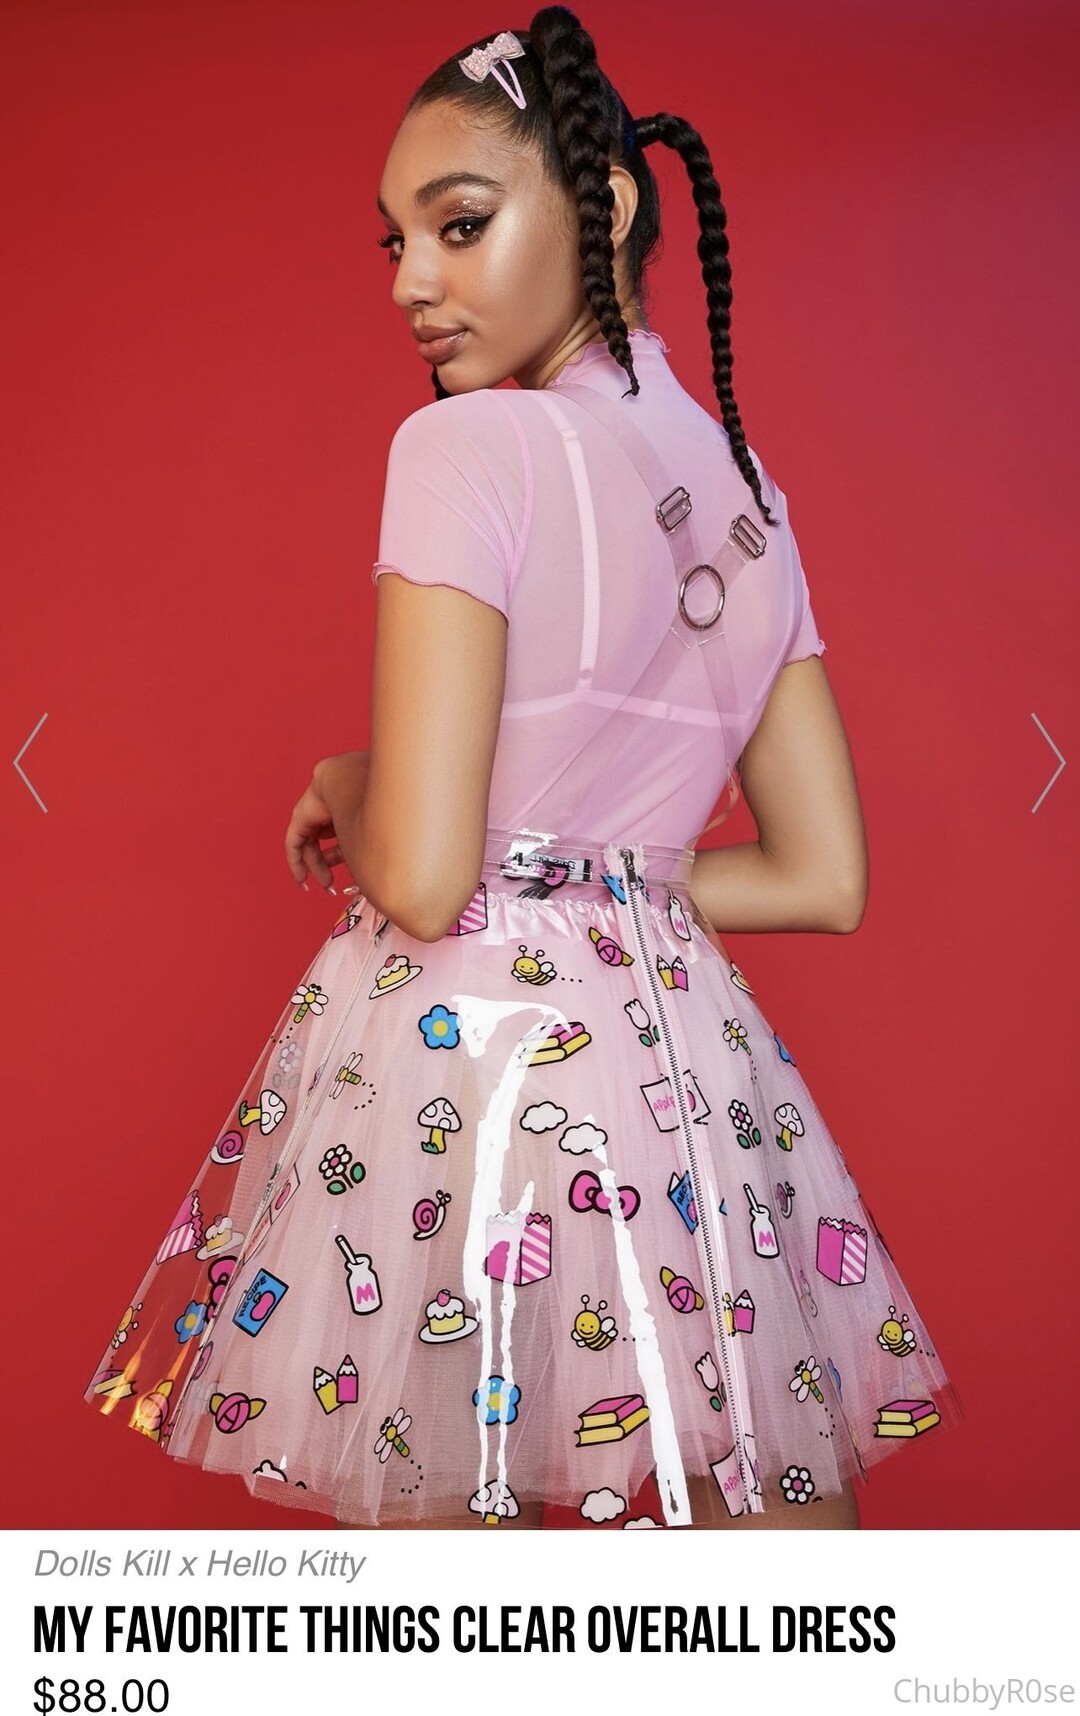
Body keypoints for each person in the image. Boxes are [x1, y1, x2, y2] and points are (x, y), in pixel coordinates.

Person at [84, 7, 962, 1531]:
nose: (410, 283)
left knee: (453, 1601)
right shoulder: (749, 497)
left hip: (468, 1069)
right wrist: (605, 889)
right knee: (771, 1587)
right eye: (395, 243)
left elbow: (427, 879)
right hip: (683, 1078)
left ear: (603, 209)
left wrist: (349, 779)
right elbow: (823, 877)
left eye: (460, 224)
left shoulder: (465, 448)